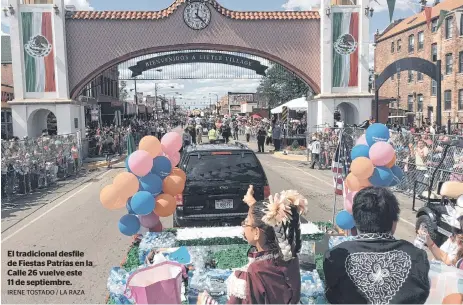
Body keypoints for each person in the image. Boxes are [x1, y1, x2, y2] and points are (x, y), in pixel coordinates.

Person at [198, 186, 307, 304]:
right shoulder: (289, 255)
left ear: (256, 232)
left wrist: (204, 302)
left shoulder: (255, 271)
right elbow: (266, 226)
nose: (243, 226)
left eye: (246, 223)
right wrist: (252, 204)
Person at [324, 187, 430, 304]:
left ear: (356, 221)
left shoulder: (336, 255)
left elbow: (331, 295)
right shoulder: (418, 256)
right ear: (394, 222)